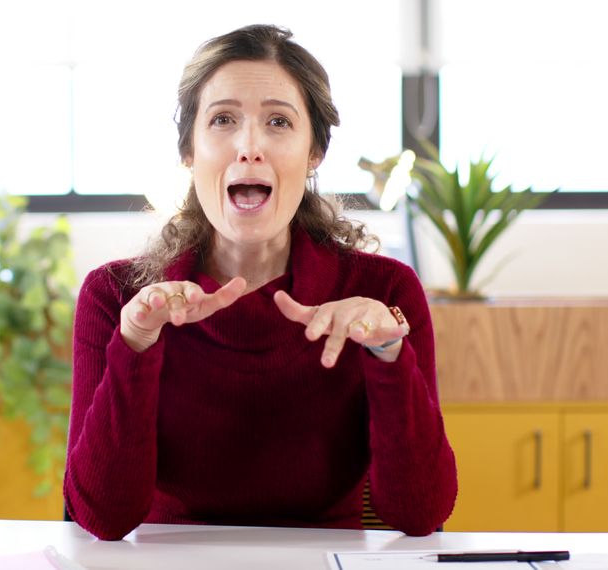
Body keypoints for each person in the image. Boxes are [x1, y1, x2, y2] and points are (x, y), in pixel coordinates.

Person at [65, 24, 456, 541]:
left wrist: (387, 352)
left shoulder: (384, 295)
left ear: (314, 152)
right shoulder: (115, 297)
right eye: (223, 120)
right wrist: (135, 341)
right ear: (189, 151)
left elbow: (421, 513)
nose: (249, 146)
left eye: (278, 122)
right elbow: (103, 520)